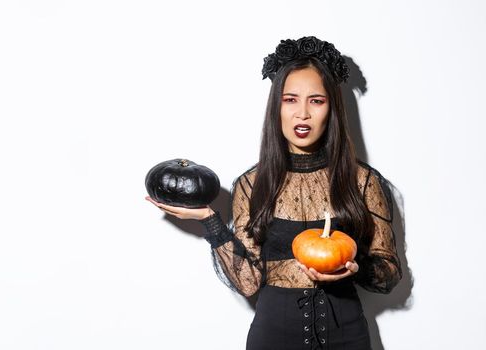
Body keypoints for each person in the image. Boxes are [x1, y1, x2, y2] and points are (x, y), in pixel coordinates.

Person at [145, 36, 402, 350]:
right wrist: (210, 221)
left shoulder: (362, 181)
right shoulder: (253, 184)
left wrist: (354, 266)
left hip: (347, 336)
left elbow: (389, 273)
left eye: (316, 100)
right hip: (273, 337)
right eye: (290, 99)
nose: (302, 113)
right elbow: (248, 282)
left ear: (331, 108)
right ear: (276, 106)